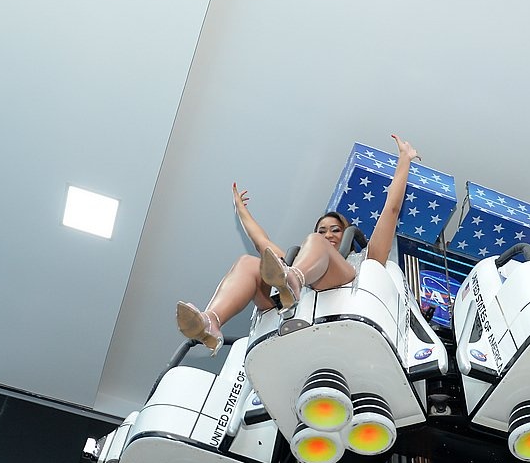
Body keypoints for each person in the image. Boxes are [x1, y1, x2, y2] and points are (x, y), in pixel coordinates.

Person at [176, 135, 419, 353]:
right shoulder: (294, 260)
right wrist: (240, 209)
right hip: (293, 311)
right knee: (248, 263)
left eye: (335, 230)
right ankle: (211, 321)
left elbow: (391, 209)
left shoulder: (365, 260)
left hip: (341, 298)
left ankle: (294, 282)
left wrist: (405, 159)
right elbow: (261, 242)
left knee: (311, 248)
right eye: (322, 230)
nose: (328, 235)